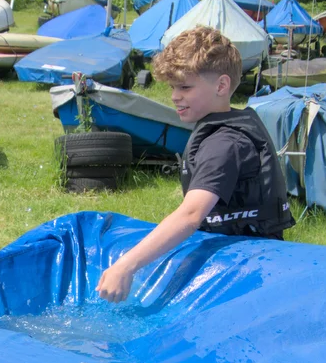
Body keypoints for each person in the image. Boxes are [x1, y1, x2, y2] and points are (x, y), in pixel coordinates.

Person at [97, 26, 293, 303]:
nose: (175, 96)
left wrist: (125, 266)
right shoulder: (223, 129)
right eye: (173, 87)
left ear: (221, 86)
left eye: (185, 87)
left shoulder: (224, 144)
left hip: (247, 262)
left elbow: (190, 216)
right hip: (240, 249)